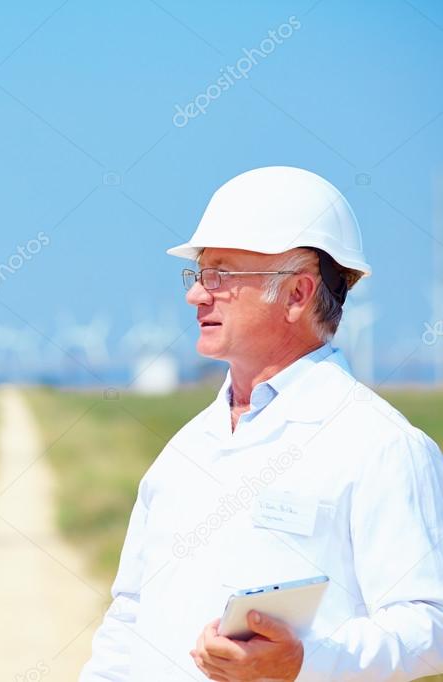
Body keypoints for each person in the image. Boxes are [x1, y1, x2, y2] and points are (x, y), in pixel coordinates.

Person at [80, 166, 443, 681]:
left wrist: (302, 661)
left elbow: (430, 624)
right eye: (200, 274)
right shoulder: (186, 449)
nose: (197, 295)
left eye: (222, 275)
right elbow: (130, 616)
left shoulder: (381, 445)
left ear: (297, 294)